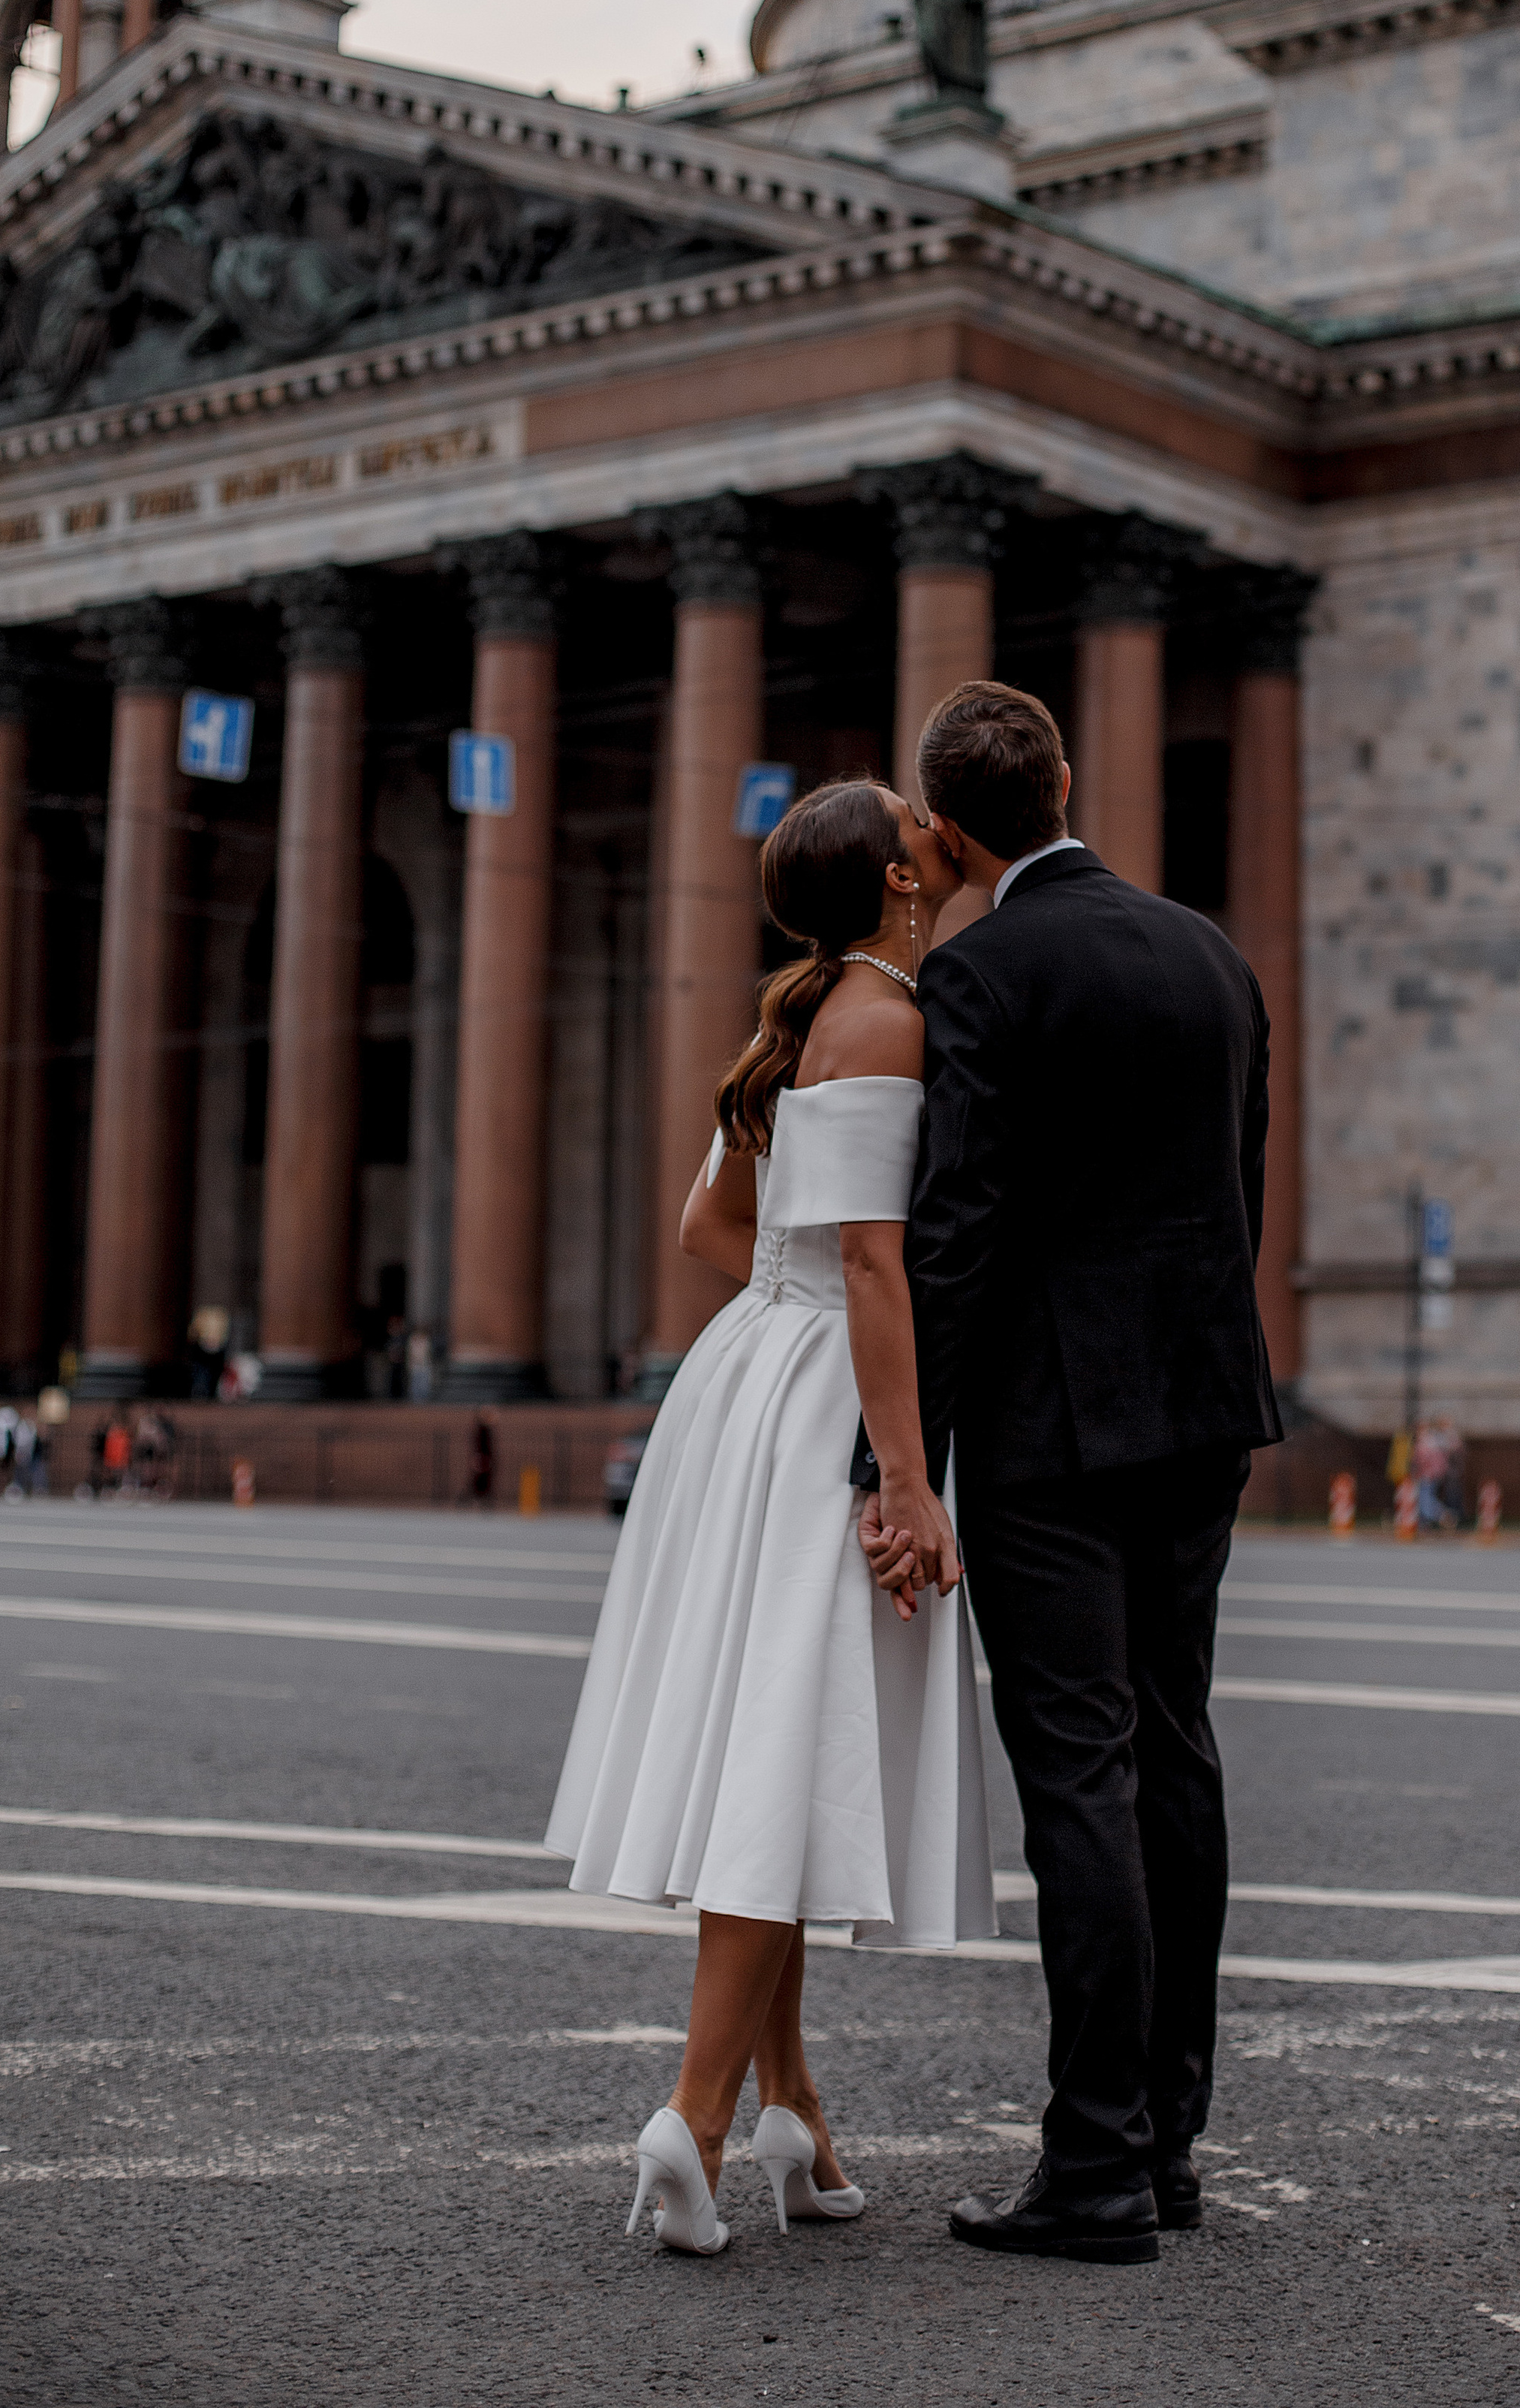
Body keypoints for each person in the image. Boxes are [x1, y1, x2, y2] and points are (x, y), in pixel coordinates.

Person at [547, 778, 993, 2257]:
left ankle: (791, 2108)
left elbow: (709, 1227)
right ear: (896, 879)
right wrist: (904, 1478)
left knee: (777, 1753)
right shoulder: (884, 1020)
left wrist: (784, 1298)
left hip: (748, 1377)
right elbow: (873, 1263)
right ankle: (692, 2118)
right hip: (827, 1402)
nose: (931, 819)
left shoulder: (805, 1018)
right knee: (783, 1756)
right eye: (910, 815)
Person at [894, 680, 1278, 2268]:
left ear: (944, 832)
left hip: (1050, 1428)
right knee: (1175, 1757)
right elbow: (1240, 1189)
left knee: (1080, 1777)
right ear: (1063, 779)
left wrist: (896, 1457)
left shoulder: (979, 969)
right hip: (1202, 1406)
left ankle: (1098, 2164)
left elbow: (956, 1227)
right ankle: (1167, 2143)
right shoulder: (1211, 954)